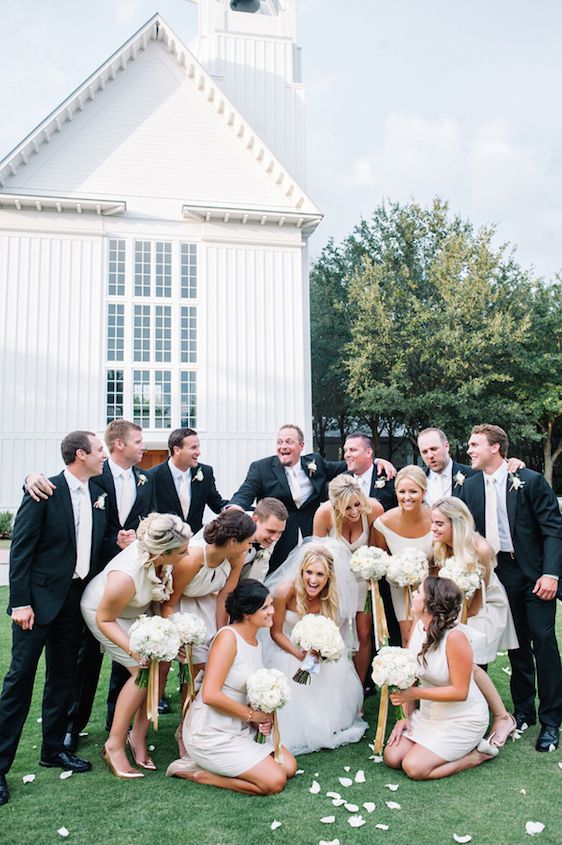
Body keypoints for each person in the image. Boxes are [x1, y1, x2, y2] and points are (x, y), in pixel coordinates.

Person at [21, 419, 155, 739]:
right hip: (90, 581)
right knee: (84, 659)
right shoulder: (97, 475)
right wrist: (29, 478)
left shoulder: (147, 480)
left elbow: (151, 519)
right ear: (118, 444)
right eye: (138, 441)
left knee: (126, 656)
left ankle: (116, 724)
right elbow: (62, 490)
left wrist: (135, 538)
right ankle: (72, 726)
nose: (144, 447)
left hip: (130, 581)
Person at [0, 431, 107, 806]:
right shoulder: (44, 490)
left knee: (63, 678)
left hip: (74, 602)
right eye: (99, 450)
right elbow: (21, 551)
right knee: (20, 680)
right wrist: (20, 603)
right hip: (37, 604)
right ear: (81, 455)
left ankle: (53, 749)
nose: (104, 456)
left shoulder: (98, 493)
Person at [459, 424, 562, 752]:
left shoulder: (529, 480)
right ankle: (523, 710)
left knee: (543, 643)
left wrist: (551, 574)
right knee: (516, 645)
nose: (469, 450)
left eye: (475, 445)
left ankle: (550, 720)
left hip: (533, 573)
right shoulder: (470, 487)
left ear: (496, 448)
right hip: (497, 575)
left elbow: (552, 529)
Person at [80, 513, 191, 778]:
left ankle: (137, 737)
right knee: (142, 673)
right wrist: (135, 651)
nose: (186, 557)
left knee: (161, 665)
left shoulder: (162, 559)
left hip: (138, 611)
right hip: (107, 615)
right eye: (182, 552)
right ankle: (113, 745)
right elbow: (104, 618)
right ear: (162, 552)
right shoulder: (125, 577)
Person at [166, 580, 297, 794]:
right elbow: (209, 695)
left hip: (240, 729)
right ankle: (201, 775)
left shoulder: (256, 643)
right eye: (265, 607)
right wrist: (252, 716)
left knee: (289, 766)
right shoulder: (228, 638)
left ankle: (229, 763)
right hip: (211, 732)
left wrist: (262, 718)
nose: (272, 611)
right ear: (247, 613)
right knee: (274, 782)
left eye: (271, 605)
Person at [261, 544, 367, 755]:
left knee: (332, 673)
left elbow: (332, 633)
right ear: (301, 571)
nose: (313, 580)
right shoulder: (285, 591)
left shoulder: (332, 596)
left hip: (315, 656)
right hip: (287, 650)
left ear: (329, 576)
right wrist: (298, 654)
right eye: (309, 572)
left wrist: (318, 652)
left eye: (320, 574)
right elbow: (276, 633)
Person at [384, 577, 493, 779]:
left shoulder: (455, 638)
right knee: (392, 757)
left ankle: (474, 757)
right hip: (429, 715)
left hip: (462, 719)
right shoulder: (418, 626)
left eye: (418, 592)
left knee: (414, 767)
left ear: (429, 605)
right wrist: (405, 717)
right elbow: (409, 676)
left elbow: (460, 692)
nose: (413, 595)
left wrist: (414, 694)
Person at [431, 496, 518, 747]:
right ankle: (464, 715)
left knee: (467, 662)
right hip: (458, 607)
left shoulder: (480, 549)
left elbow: (478, 601)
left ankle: (502, 717)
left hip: (484, 607)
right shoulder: (442, 544)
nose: (433, 529)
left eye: (439, 524)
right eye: (432, 523)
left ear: (456, 523)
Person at [313, 475, 399, 685]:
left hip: (364, 581)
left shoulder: (373, 509)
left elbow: (378, 550)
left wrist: (372, 568)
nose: (353, 512)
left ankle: (359, 688)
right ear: (335, 505)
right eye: (346, 508)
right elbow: (317, 557)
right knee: (335, 633)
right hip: (334, 581)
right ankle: (331, 683)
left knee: (364, 633)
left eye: (357, 505)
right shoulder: (323, 515)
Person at [165, 510, 257, 669]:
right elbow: (168, 603)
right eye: (248, 542)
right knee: (199, 664)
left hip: (209, 606)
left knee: (217, 655)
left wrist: (222, 633)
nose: (250, 547)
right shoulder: (191, 560)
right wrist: (177, 633)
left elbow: (225, 597)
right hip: (178, 608)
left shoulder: (237, 555)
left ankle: (192, 693)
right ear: (233, 541)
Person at [373, 465, 433, 645]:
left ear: (423, 492)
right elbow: (382, 559)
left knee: (430, 636)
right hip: (400, 588)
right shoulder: (383, 523)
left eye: (413, 491)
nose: (407, 497)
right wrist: (397, 572)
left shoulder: (436, 517)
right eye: (402, 491)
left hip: (432, 586)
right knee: (408, 638)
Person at [417, 426, 526, 506]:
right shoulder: (417, 481)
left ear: (446, 446)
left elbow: (496, 468)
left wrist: (510, 463)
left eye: (434, 449)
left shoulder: (473, 474)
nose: (430, 455)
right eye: (424, 452)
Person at [150, 427, 227, 534]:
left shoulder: (205, 472)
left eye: (198, 447)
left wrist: (237, 507)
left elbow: (217, 504)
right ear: (177, 450)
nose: (198, 452)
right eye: (193, 448)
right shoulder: (153, 476)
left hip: (195, 541)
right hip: (165, 544)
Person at [343, 431, 397, 511]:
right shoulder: (342, 480)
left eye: (353, 450)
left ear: (368, 452)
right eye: (345, 450)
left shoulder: (389, 477)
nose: (347, 455)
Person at [239, 498, 288, 582]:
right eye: (271, 531)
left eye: (280, 532)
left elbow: (260, 572)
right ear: (255, 520)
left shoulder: (270, 537)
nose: (275, 538)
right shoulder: (233, 528)